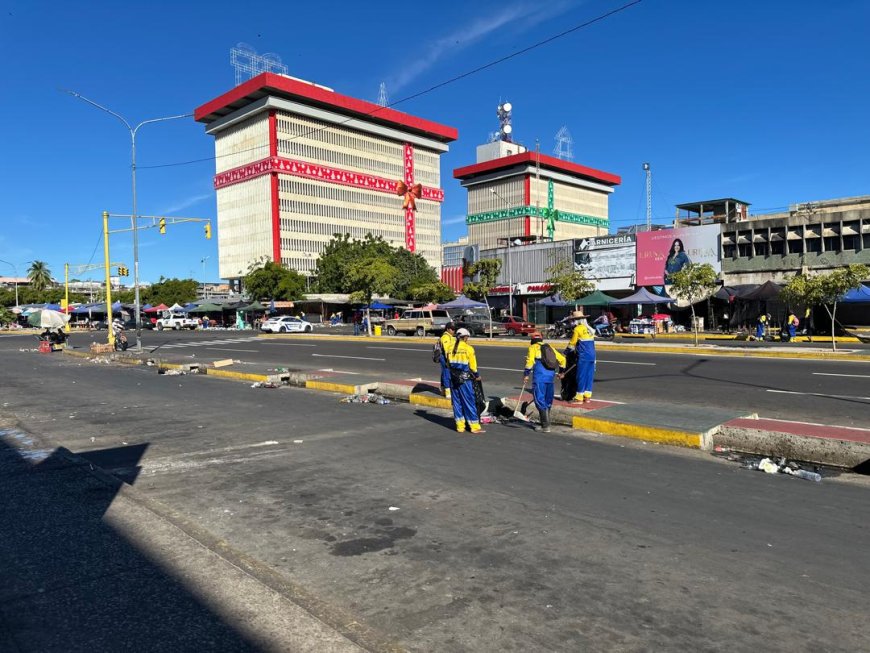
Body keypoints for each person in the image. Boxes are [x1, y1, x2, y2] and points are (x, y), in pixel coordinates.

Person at [523, 332, 566, 433]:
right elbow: (563, 359)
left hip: (539, 378)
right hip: (550, 378)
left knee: (539, 399)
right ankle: (546, 422)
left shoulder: (533, 348)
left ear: (532, 340)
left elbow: (529, 362)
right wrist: (561, 372)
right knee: (548, 400)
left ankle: (545, 426)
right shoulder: (549, 347)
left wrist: (526, 375)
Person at [447, 328, 484, 434]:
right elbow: (473, 367)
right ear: (466, 337)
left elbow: (448, 364)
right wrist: (477, 376)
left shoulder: (450, 348)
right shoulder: (469, 349)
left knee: (457, 403)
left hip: (453, 379)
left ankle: (460, 426)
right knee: (469, 402)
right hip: (465, 380)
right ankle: (474, 426)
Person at [566, 310, 596, 403]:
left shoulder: (577, 329)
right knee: (589, 376)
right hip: (592, 355)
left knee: (581, 376)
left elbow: (572, 344)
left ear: (577, 321)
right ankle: (587, 397)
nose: (572, 322)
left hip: (584, 356)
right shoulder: (590, 329)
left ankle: (579, 398)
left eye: (573, 320)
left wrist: (565, 353)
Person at [438, 322, 457, 399]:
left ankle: (443, 391)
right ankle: (448, 392)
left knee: (444, 373)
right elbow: (446, 350)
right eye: (452, 329)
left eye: (454, 329)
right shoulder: (445, 337)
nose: (453, 331)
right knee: (446, 374)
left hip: (448, 357)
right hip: (446, 358)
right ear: (448, 329)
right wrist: (449, 361)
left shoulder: (451, 336)